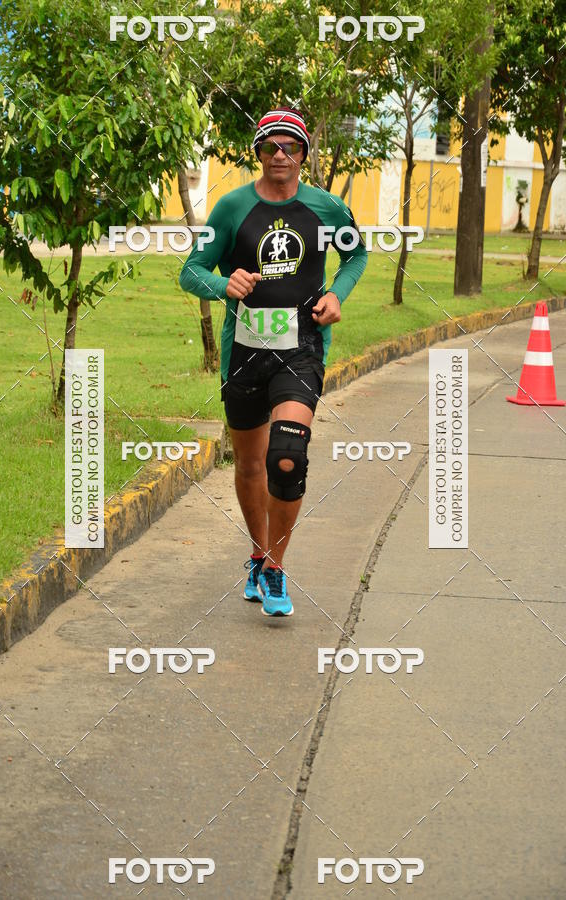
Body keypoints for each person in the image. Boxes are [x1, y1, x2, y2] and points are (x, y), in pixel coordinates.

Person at [179, 107, 367, 616]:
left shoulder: (327, 208)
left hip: (300, 351)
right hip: (243, 355)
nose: (280, 155)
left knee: (287, 458)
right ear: (257, 153)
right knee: (248, 465)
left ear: (304, 153)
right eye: (270, 147)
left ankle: (276, 568)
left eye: (290, 147)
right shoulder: (231, 208)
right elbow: (190, 272)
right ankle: (257, 552)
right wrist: (223, 283)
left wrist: (338, 294)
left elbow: (357, 255)